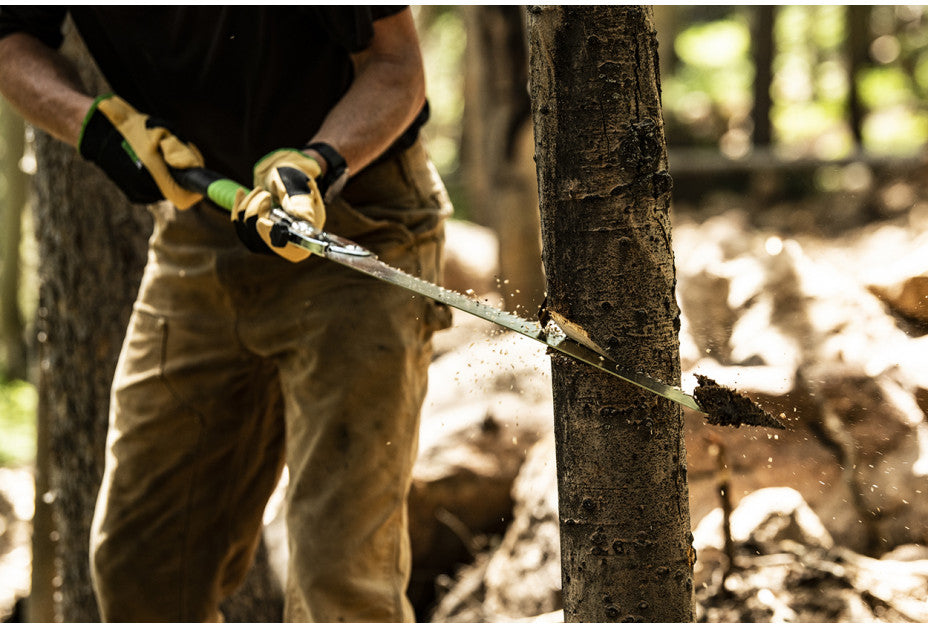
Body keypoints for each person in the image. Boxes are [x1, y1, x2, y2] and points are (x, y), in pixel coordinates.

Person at [0, 6, 452, 622]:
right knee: (142, 569)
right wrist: (93, 124)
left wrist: (317, 162)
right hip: (199, 229)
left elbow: (397, 65)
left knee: (341, 582)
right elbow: (10, 38)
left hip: (356, 222)